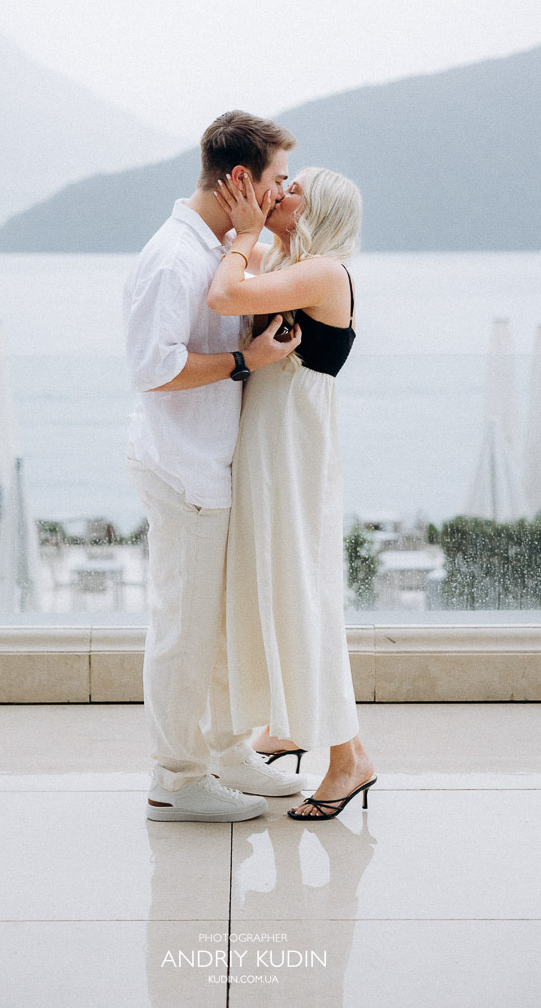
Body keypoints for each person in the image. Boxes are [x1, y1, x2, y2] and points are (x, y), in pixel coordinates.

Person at [123, 110, 309, 823]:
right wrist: (244, 361)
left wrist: (262, 242)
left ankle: (228, 752)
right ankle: (175, 775)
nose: (281, 192)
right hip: (181, 470)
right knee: (182, 629)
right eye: (276, 181)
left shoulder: (218, 247)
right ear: (241, 179)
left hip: (213, 466)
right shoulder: (174, 256)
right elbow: (154, 368)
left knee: (222, 627)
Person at [207, 165, 377, 820]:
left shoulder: (323, 272)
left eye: (295, 188)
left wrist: (242, 236)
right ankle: (289, 721)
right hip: (272, 445)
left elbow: (226, 297)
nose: (282, 193)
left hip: (293, 451)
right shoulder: (291, 260)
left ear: (319, 210)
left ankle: (348, 757)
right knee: (273, 583)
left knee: (301, 589)